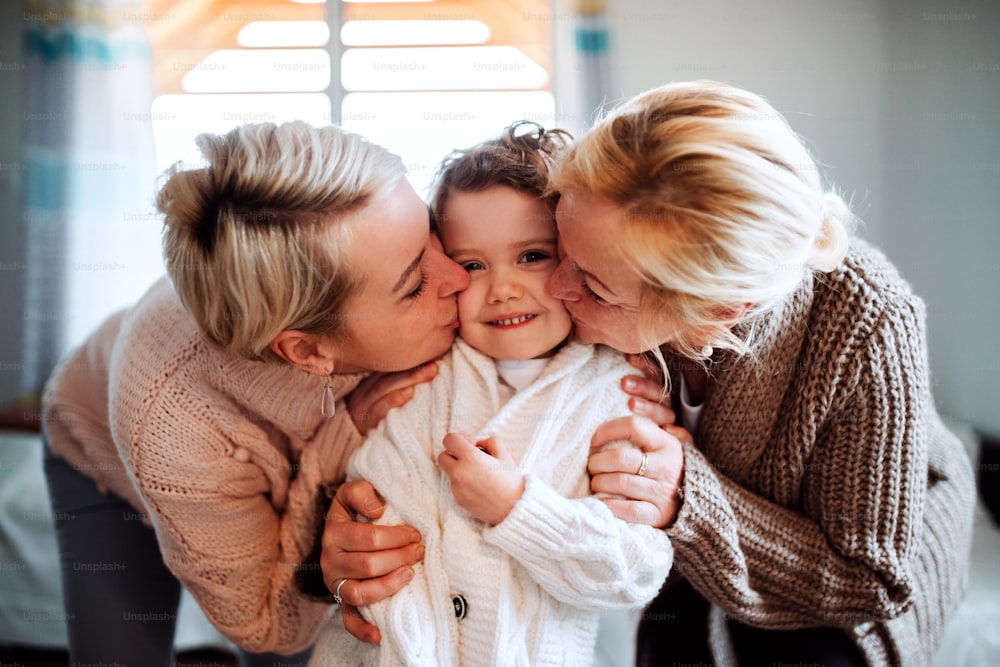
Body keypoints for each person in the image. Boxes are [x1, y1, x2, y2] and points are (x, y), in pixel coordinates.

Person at [542, 80, 976, 665]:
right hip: (702, 546)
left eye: (592, 287)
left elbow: (868, 580)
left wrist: (684, 495)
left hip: (841, 567)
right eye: (554, 249)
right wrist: (374, 393)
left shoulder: (867, 326)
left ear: (717, 313)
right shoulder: (605, 242)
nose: (553, 287)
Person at [40, 120, 469, 665]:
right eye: (413, 286)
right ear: (309, 353)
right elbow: (266, 624)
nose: (458, 273)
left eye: (429, 227)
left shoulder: (383, 274)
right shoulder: (169, 421)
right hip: (98, 455)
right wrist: (345, 432)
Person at [309, 123, 672, 667]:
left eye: (531, 256)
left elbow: (632, 575)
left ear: (577, 255)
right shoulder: (417, 381)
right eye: (473, 264)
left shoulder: (620, 396)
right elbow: (369, 525)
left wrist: (519, 509)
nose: (502, 288)